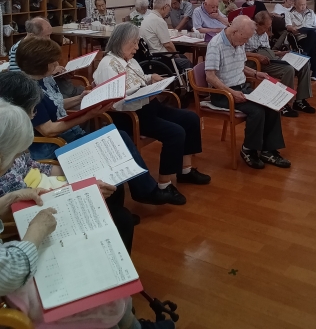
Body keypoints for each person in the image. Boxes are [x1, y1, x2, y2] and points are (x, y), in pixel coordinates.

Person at [0, 103, 174, 329]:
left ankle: (125, 314)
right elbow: (9, 272)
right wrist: (36, 231)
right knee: (98, 274)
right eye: (14, 157)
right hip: (17, 273)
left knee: (108, 234)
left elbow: (33, 170)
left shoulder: (12, 157)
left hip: (24, 225)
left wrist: (7, 201)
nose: (17, 161)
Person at [0, 73, 179, 252]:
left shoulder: (13, 142)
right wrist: (79, 188)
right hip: (34, 204)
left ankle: (114, 211)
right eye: (33, 111)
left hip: (40, 187)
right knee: (121, 219)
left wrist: (75, 172)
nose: (34, 116)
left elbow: (34, 166)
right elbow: (22, 202)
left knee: (108, 177)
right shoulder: (11, 148)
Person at [94, 23, 211, 205]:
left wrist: (150, 78)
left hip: (148, 106)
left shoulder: (129, 60)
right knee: (175, 132)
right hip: (129, 115)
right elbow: (115, 101)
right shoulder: (107, 65)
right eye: (133, 43)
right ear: (121, 41)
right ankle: (164, 185)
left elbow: (137, 80)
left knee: (191, 118)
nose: (136, 47)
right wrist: (146, 93)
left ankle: (185, 171)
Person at [205, 15, 290, 170]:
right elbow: (210, 76)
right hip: (223, 94)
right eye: (245, 38)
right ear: (235, 32)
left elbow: (240, 65)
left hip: (242, 88)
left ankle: (268, 150)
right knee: (257, 110)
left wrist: (256, 74)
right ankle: (248, 149)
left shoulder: (238, 41)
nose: (246, 42)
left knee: (271, 105)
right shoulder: (216, 45)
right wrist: (231, 92)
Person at [245, 11, 316, 116]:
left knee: (304, 65)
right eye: (266, 27)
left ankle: (300, 101)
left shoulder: (264, 34)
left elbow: (268, 50)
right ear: (257, 24)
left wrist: (279, 53)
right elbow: (240, 53)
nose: (268, 30)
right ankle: (284, 104)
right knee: (288, 70)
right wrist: (258, 56)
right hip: (255, 62)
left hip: (270, 59)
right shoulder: (247, 33)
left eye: (269, 26)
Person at [8, 16, 83, 99]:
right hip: (39, 94)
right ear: (32, 36)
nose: (49, 40)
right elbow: (20, 81)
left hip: (55, 87)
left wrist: (61, 73)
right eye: (47, 36)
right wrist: (50, 72)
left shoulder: (40, 47)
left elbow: (52, 67)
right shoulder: (20, 50)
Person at [139, 0, 192, 72]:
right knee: (187, 63)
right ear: (165, 7)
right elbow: (168, 45)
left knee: (183, 58)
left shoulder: (146, 18)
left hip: (150, 56)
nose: (169, 10)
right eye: (169, 8)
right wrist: (176, 55)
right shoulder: (159, 21)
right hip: (161, 58)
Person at [284, 0, 316, 81]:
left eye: (304, 4)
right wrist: (292, 28)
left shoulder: (311, 12)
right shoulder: (289, 14)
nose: (303, 7)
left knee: (312, 33)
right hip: (301, 38)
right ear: (295, 4)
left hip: (314, 37)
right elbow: (288, 26)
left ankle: (304, 54)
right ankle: (315, 71)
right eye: (301, 5)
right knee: (313, 47)